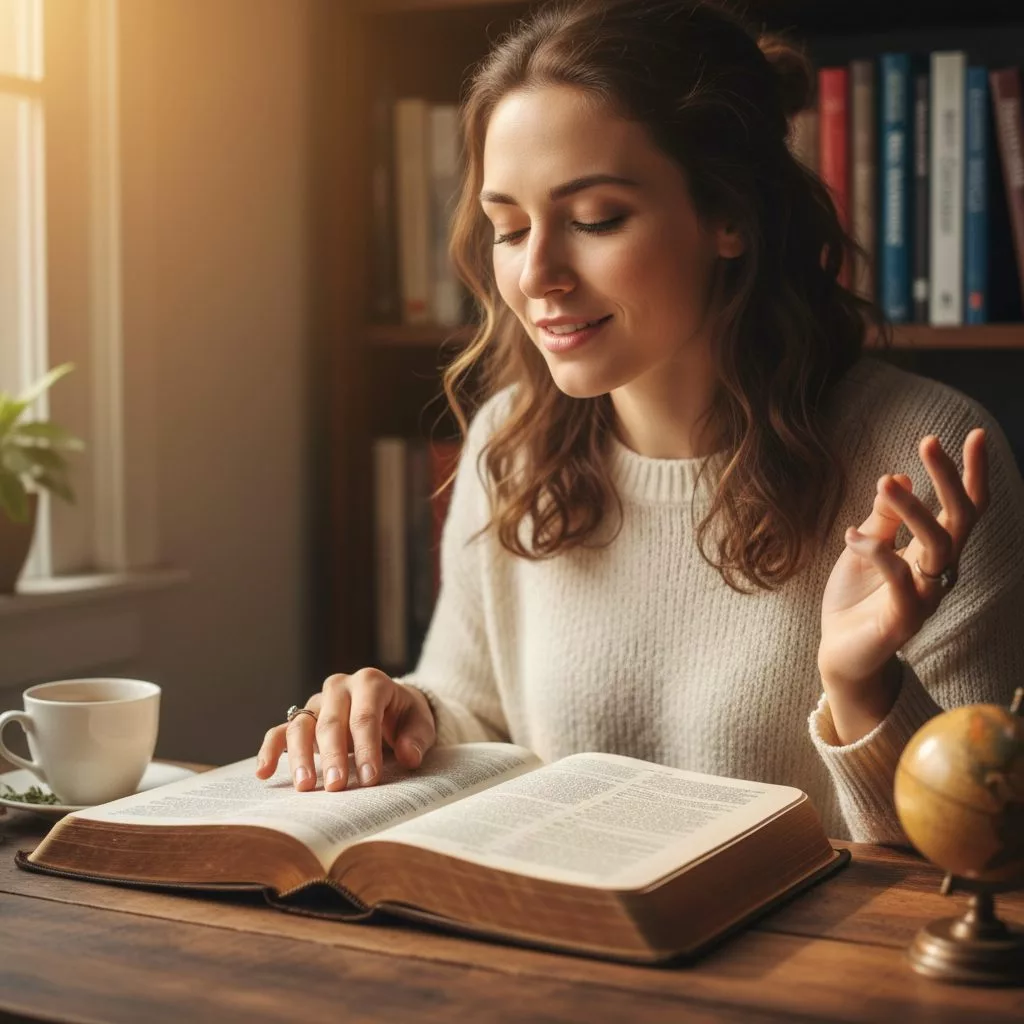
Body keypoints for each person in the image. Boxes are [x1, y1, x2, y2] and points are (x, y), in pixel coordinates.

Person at [256, 0, 1024, 842]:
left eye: (595, 221)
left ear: (728, 216)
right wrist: (405, 712)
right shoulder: (506, 444)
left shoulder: (923, 462)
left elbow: (979, 856)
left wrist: (861, 689)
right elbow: (472, 704)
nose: (537, 274)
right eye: (508, 228)